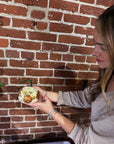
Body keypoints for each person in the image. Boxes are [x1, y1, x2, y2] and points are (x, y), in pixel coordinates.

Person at [27, 5, 114, 144]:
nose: (94, 52)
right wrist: (45, 93)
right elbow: (84, 98)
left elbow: (86, 139)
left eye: (103, 47)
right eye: (94, 43)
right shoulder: (108, 73)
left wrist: (51, 111)